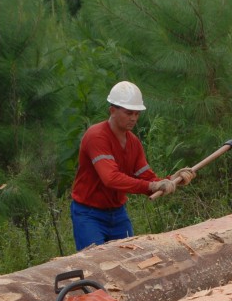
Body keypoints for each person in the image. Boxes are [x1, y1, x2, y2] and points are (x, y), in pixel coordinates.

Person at [70, 81, 195, 250]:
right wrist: (153, 185)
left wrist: (172, 180)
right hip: (89, 215)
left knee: (128, 260)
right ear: (112, 111)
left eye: (137, 113)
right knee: (93, 265)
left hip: (118, 214)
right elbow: (111, 178)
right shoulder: (96, 137)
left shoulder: (133, 143)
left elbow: (148, 179)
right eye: (129, 113)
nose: (134, 118)